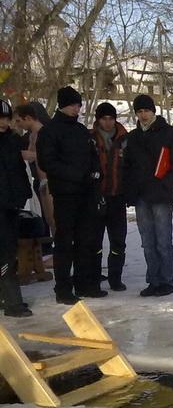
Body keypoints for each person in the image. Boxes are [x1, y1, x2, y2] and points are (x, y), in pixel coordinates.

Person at [35, 86, 106, 304]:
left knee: (85, 239)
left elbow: (93, 155)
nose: (77, 109)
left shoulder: (81, 130)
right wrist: (76, 175)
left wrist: (96, 173)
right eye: (73, 105)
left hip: (85, 192)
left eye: (78, 105)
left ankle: (83, 283)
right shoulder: (50, 131)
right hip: (65, 193)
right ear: (63, 106)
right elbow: (47, 162)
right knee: (64, 241)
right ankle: (63, 288)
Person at [123, 94, 173, 297]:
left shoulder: (171, 134)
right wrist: (130, 191)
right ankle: (153, 280)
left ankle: (167, 281)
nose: (143, 115)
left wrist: (165, 184)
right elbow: (127, 167)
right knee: (147, 242)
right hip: (141, 196)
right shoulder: (133, 137)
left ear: (154, 111)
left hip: (161, 195)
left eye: (146, 111)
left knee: (163, 241)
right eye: (139, 111)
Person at [89, 102, 130, 291]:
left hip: (117, 197)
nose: (108, 122)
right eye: (104, 119)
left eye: (111, 119)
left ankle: (116, 278)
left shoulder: (125, 139)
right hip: (96, 197)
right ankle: (94, 277)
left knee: (118, 242)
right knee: (94, 242)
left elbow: (133, 166)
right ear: (98, 120)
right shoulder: (89, 138)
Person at [0, 99, 33, 317]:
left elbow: (19, 170)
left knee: (10, 251)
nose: (4, 123)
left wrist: (24, 193)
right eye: (0, 119)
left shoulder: (12, 140)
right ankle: (12, 301)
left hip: (11, 203)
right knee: (5, 253)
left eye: (6, 118)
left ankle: (7, 297)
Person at [12, 102, 55, 235]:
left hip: (50, 179)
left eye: (19, 121)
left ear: (28, 118)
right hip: (41, 180)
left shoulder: (44, 132)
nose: (18, 125)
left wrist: (32, 155)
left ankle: (62, 244)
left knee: (54, 218)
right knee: (48, 218)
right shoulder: (32, 135)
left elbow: (52, 155)